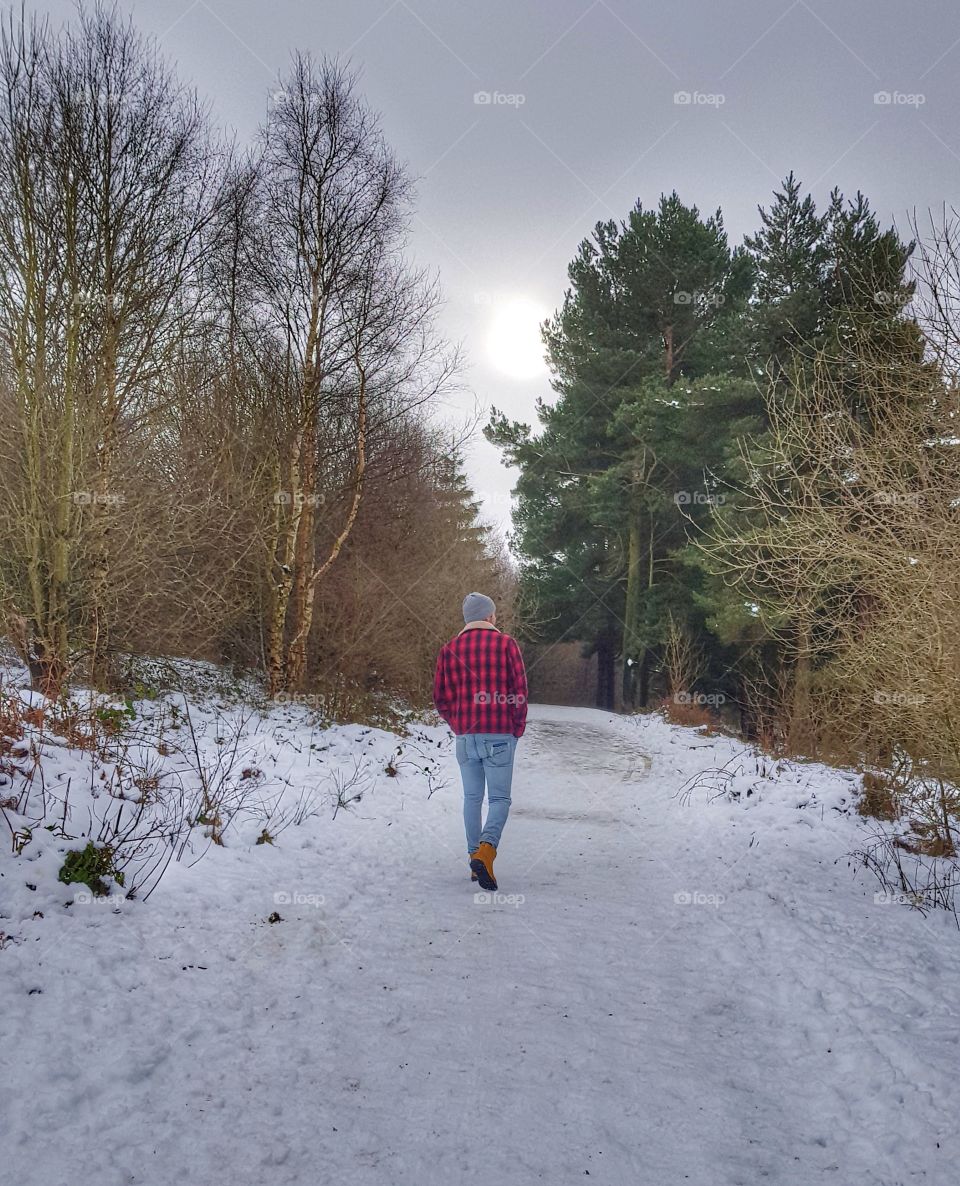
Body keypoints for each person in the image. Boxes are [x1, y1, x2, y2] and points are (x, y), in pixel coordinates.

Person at [432, 592, 528, 891]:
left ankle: (474, 859)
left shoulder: (449, 650)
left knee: (472, 799)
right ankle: (486, 852)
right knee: (500, 799)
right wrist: (516, 727)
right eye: (494, 614)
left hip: (466, 737)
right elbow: (518, 691)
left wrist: (458, 724)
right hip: (499, 733)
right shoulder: (506, 644)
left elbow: (441, 698)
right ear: (489, 617)